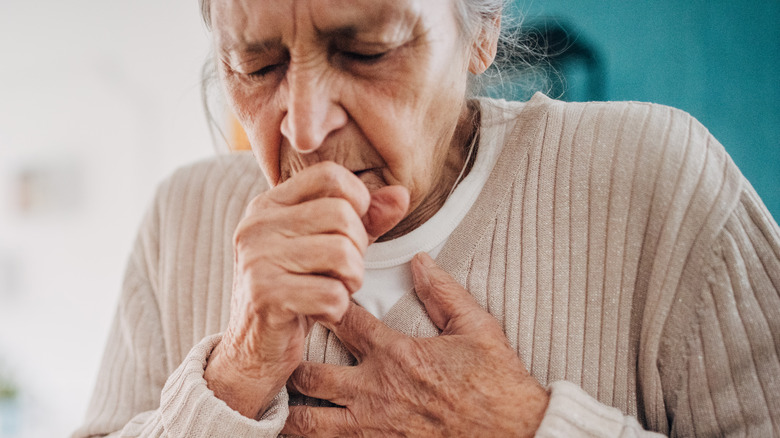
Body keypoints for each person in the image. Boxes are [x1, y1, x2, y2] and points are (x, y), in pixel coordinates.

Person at [73, 0, 780, 436]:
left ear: (482, 29)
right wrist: (232, 377)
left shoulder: (657, 177)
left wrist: (523, 428)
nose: (307, 128)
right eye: (258, 67)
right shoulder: (183, 218)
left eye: (366, 51)